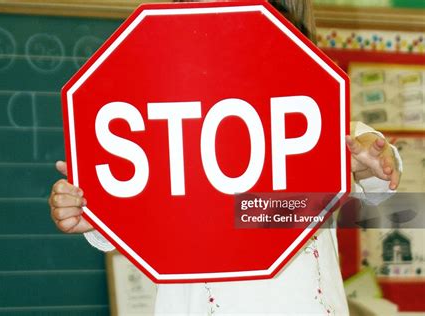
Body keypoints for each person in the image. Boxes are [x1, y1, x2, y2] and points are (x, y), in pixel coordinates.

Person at [49, 1, 402, 314]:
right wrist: (91, 212)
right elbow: (133, 212)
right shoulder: (159, 123)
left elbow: (376, 176)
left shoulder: (316, 122)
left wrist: (373, 161)